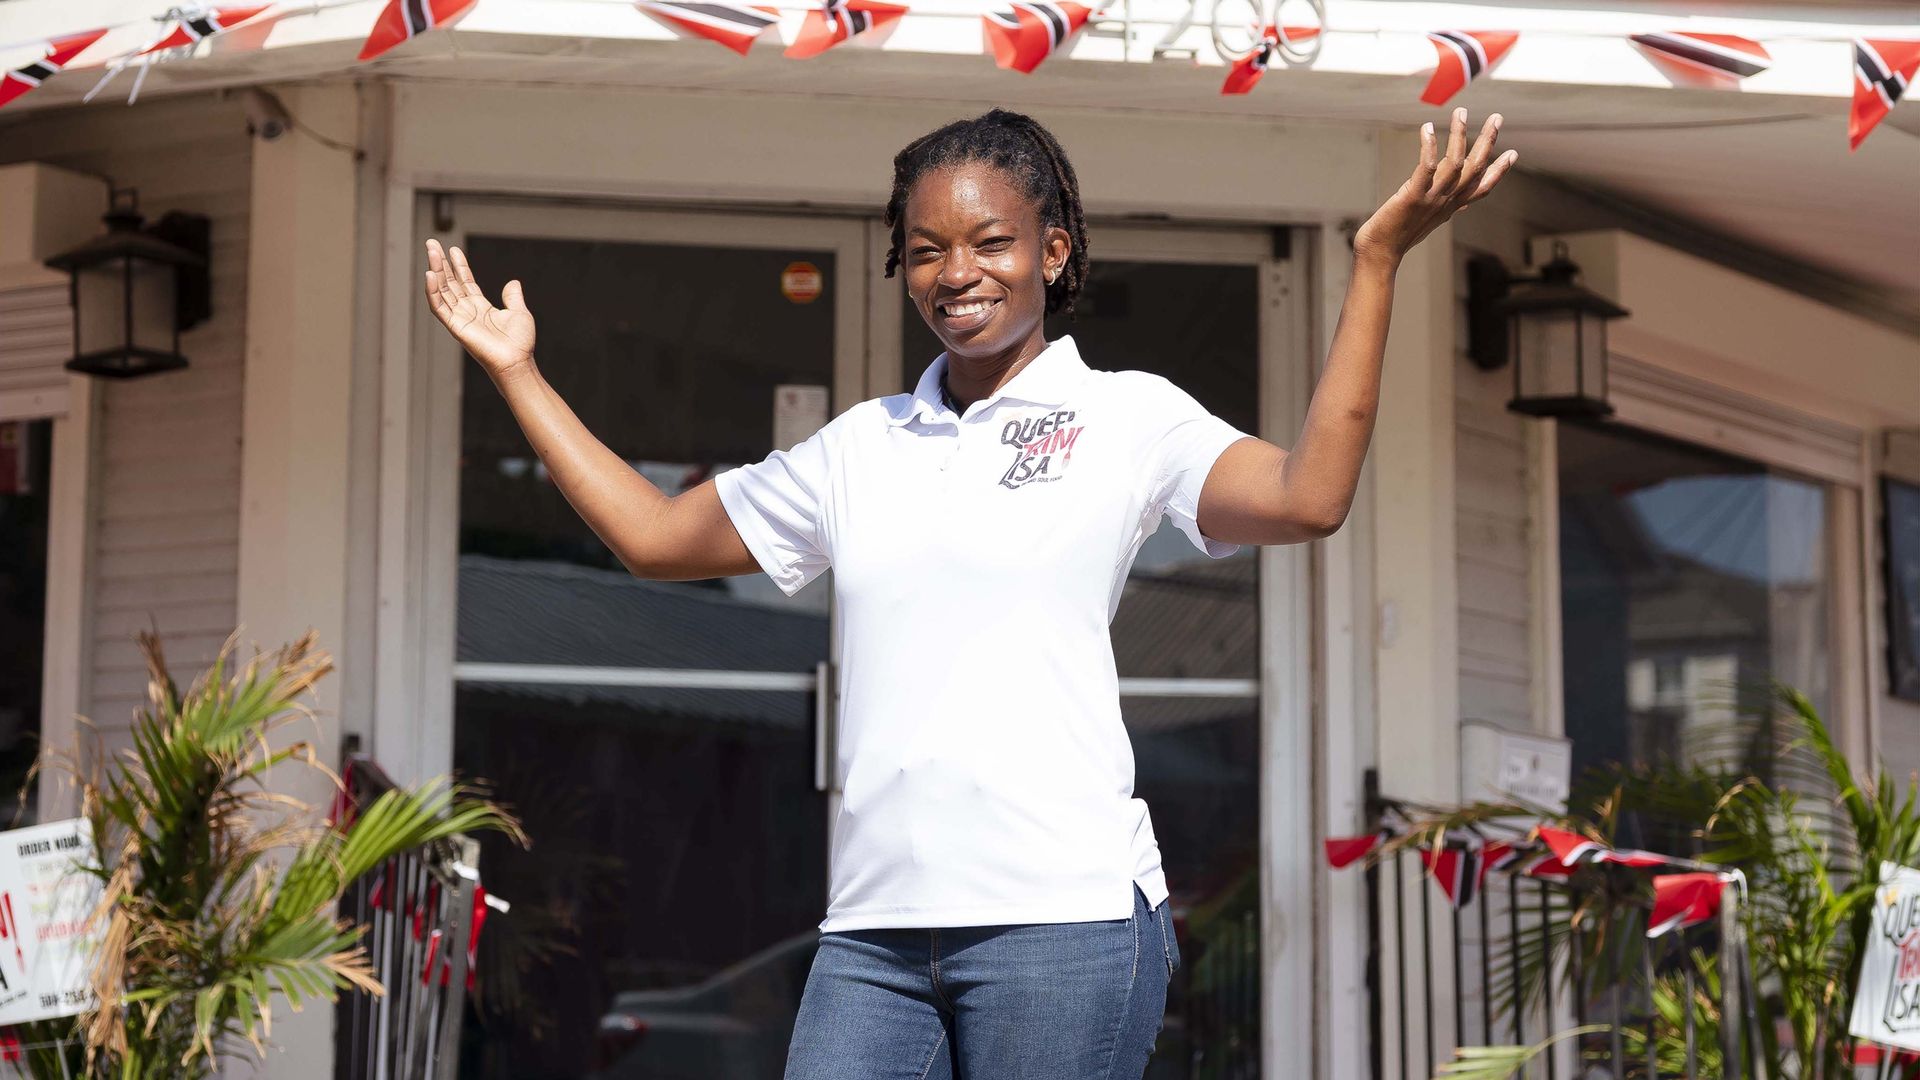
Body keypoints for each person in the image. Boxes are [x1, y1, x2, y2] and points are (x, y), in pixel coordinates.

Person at [423, 105, 1514, 1079]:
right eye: (929, 249)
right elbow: (658, 537)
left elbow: (1308, 495)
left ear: (1053, 249)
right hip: (873, 935)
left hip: (1064, 925)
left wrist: (1374, 263)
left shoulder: (1126, 418)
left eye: (992, 241)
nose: (960, 272)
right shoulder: (862, 447)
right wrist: (517, 371)